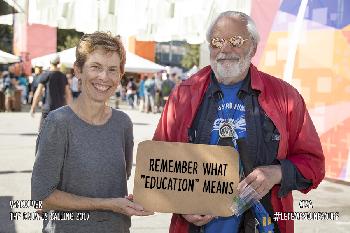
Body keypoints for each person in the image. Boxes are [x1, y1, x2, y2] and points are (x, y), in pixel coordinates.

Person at [153, 11, 325, 233]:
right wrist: (180, 203)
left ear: (252, 47)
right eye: (217, 42)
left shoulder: (285, 97)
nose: (225, 49)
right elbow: (158, 164)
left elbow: (314, 164)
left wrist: (276, 173)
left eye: (235, 41)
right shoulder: (183, 95)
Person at [31, 32, 152, 233]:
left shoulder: (123, 123)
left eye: (112, 69)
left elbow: (117, 183)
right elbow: (41, 199)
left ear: (120, 76)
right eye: (95, 67)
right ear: (78, 70)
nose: (104, 77)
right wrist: (108, 204)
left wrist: (143, 198)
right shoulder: (58, 123)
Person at [30, 55, 72, 130]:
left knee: (43, 134)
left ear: (50, 63)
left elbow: (38, 92)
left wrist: (33, 107)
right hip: (60, 109)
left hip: (47, 108)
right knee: (58, 134)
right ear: (59, 62)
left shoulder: (45, 75)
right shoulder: (63, 76)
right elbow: (68, 93)